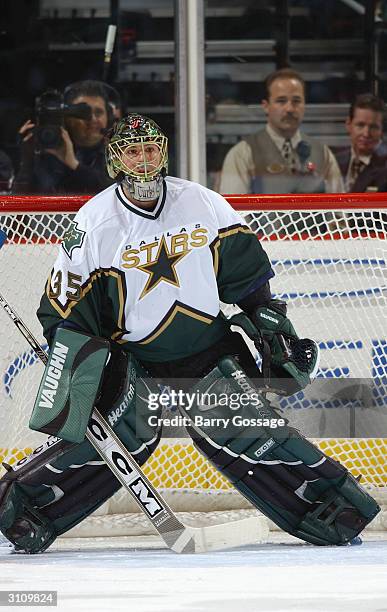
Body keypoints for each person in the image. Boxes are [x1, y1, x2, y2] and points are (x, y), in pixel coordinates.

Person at [0, 114, 378, 553]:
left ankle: (334, 506)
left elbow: (246, 272)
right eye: (132, 151)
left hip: (205, 352)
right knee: (114, 442)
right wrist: (80, 367)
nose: (143, 160)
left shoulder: (201, 201)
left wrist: (270, 321)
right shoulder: (93, 223)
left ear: (163, 151)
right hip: (133, 361)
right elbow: (63, 311)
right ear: (114, 158)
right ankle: (22, 506)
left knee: (251, 430)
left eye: (150, 149)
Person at [219, 68, 344, 194]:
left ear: (304, 104)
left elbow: (340, 210)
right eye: (281, 101)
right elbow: (230, 211)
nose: (289, 108)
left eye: (296, 101)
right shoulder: (243, 154)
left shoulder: (323, 154)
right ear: (266, 106)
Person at [13, 80, 114, 195]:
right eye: (83, 113)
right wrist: (27, 163)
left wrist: (74, 165)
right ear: (67, 118)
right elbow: (18, 203)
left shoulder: (120, 154)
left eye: (99, 112)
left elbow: (116, 195)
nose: (92, 119)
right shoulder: (45, 150)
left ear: (108, 117)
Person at [335, 93, 387, 193]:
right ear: (348, 125)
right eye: (360, 125)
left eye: (374, 127)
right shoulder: (333, 160)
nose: (366, 134)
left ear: (381, 131)